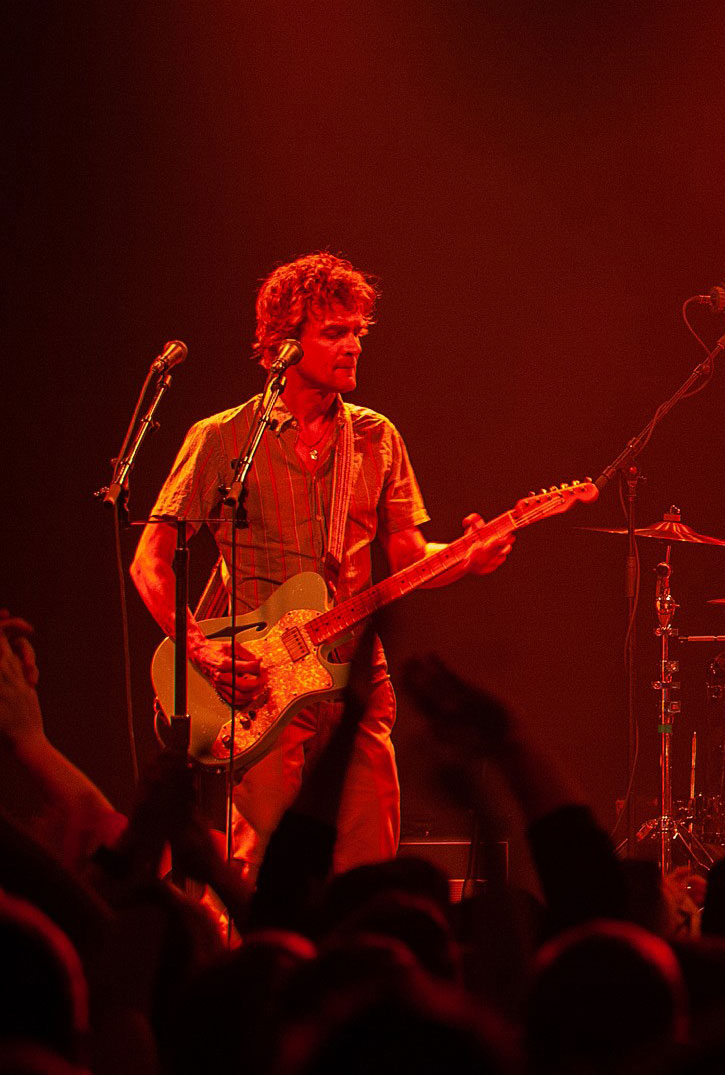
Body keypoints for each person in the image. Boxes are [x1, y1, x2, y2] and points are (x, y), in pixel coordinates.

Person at [129, 251, 514, 873]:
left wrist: (469, 557)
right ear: (282, 344)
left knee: (368, 870)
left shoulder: (376, 437)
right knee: (270, 873)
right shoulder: (222, 439)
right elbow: (151, 563)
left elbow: (412, 558)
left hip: (358, 679)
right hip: (259, 684)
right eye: (335, 332)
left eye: (359, 331)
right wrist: (202, 651)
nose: (353, 346)